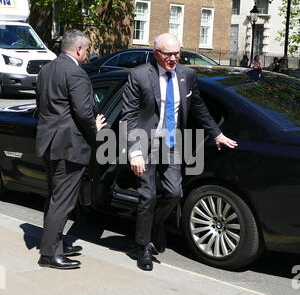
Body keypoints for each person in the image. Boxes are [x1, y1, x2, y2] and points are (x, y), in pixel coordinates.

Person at [121, 33, 237, 271]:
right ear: (156, 55)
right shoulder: (140, 75)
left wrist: (216, 133)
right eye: (168, 55)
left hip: (172, 143)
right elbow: (129, 115)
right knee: (148, 196)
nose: (174, 59)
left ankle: (155, 224)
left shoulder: (187, 75)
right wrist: (134, 152)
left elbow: (198, 106)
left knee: (174, 193)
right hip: (145, 143)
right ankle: (143, 246)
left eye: (177, 53)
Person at [36, 30, 106, 270]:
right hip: (68, 145)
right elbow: (84, 112)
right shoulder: (76, 73)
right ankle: (49, 254)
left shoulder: (46, 69)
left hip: (48, 142)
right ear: (78, 49)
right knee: (62, 202)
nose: (87, 53)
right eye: (86, 49)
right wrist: (95, 129)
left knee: (55, 197)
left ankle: (56, 243)